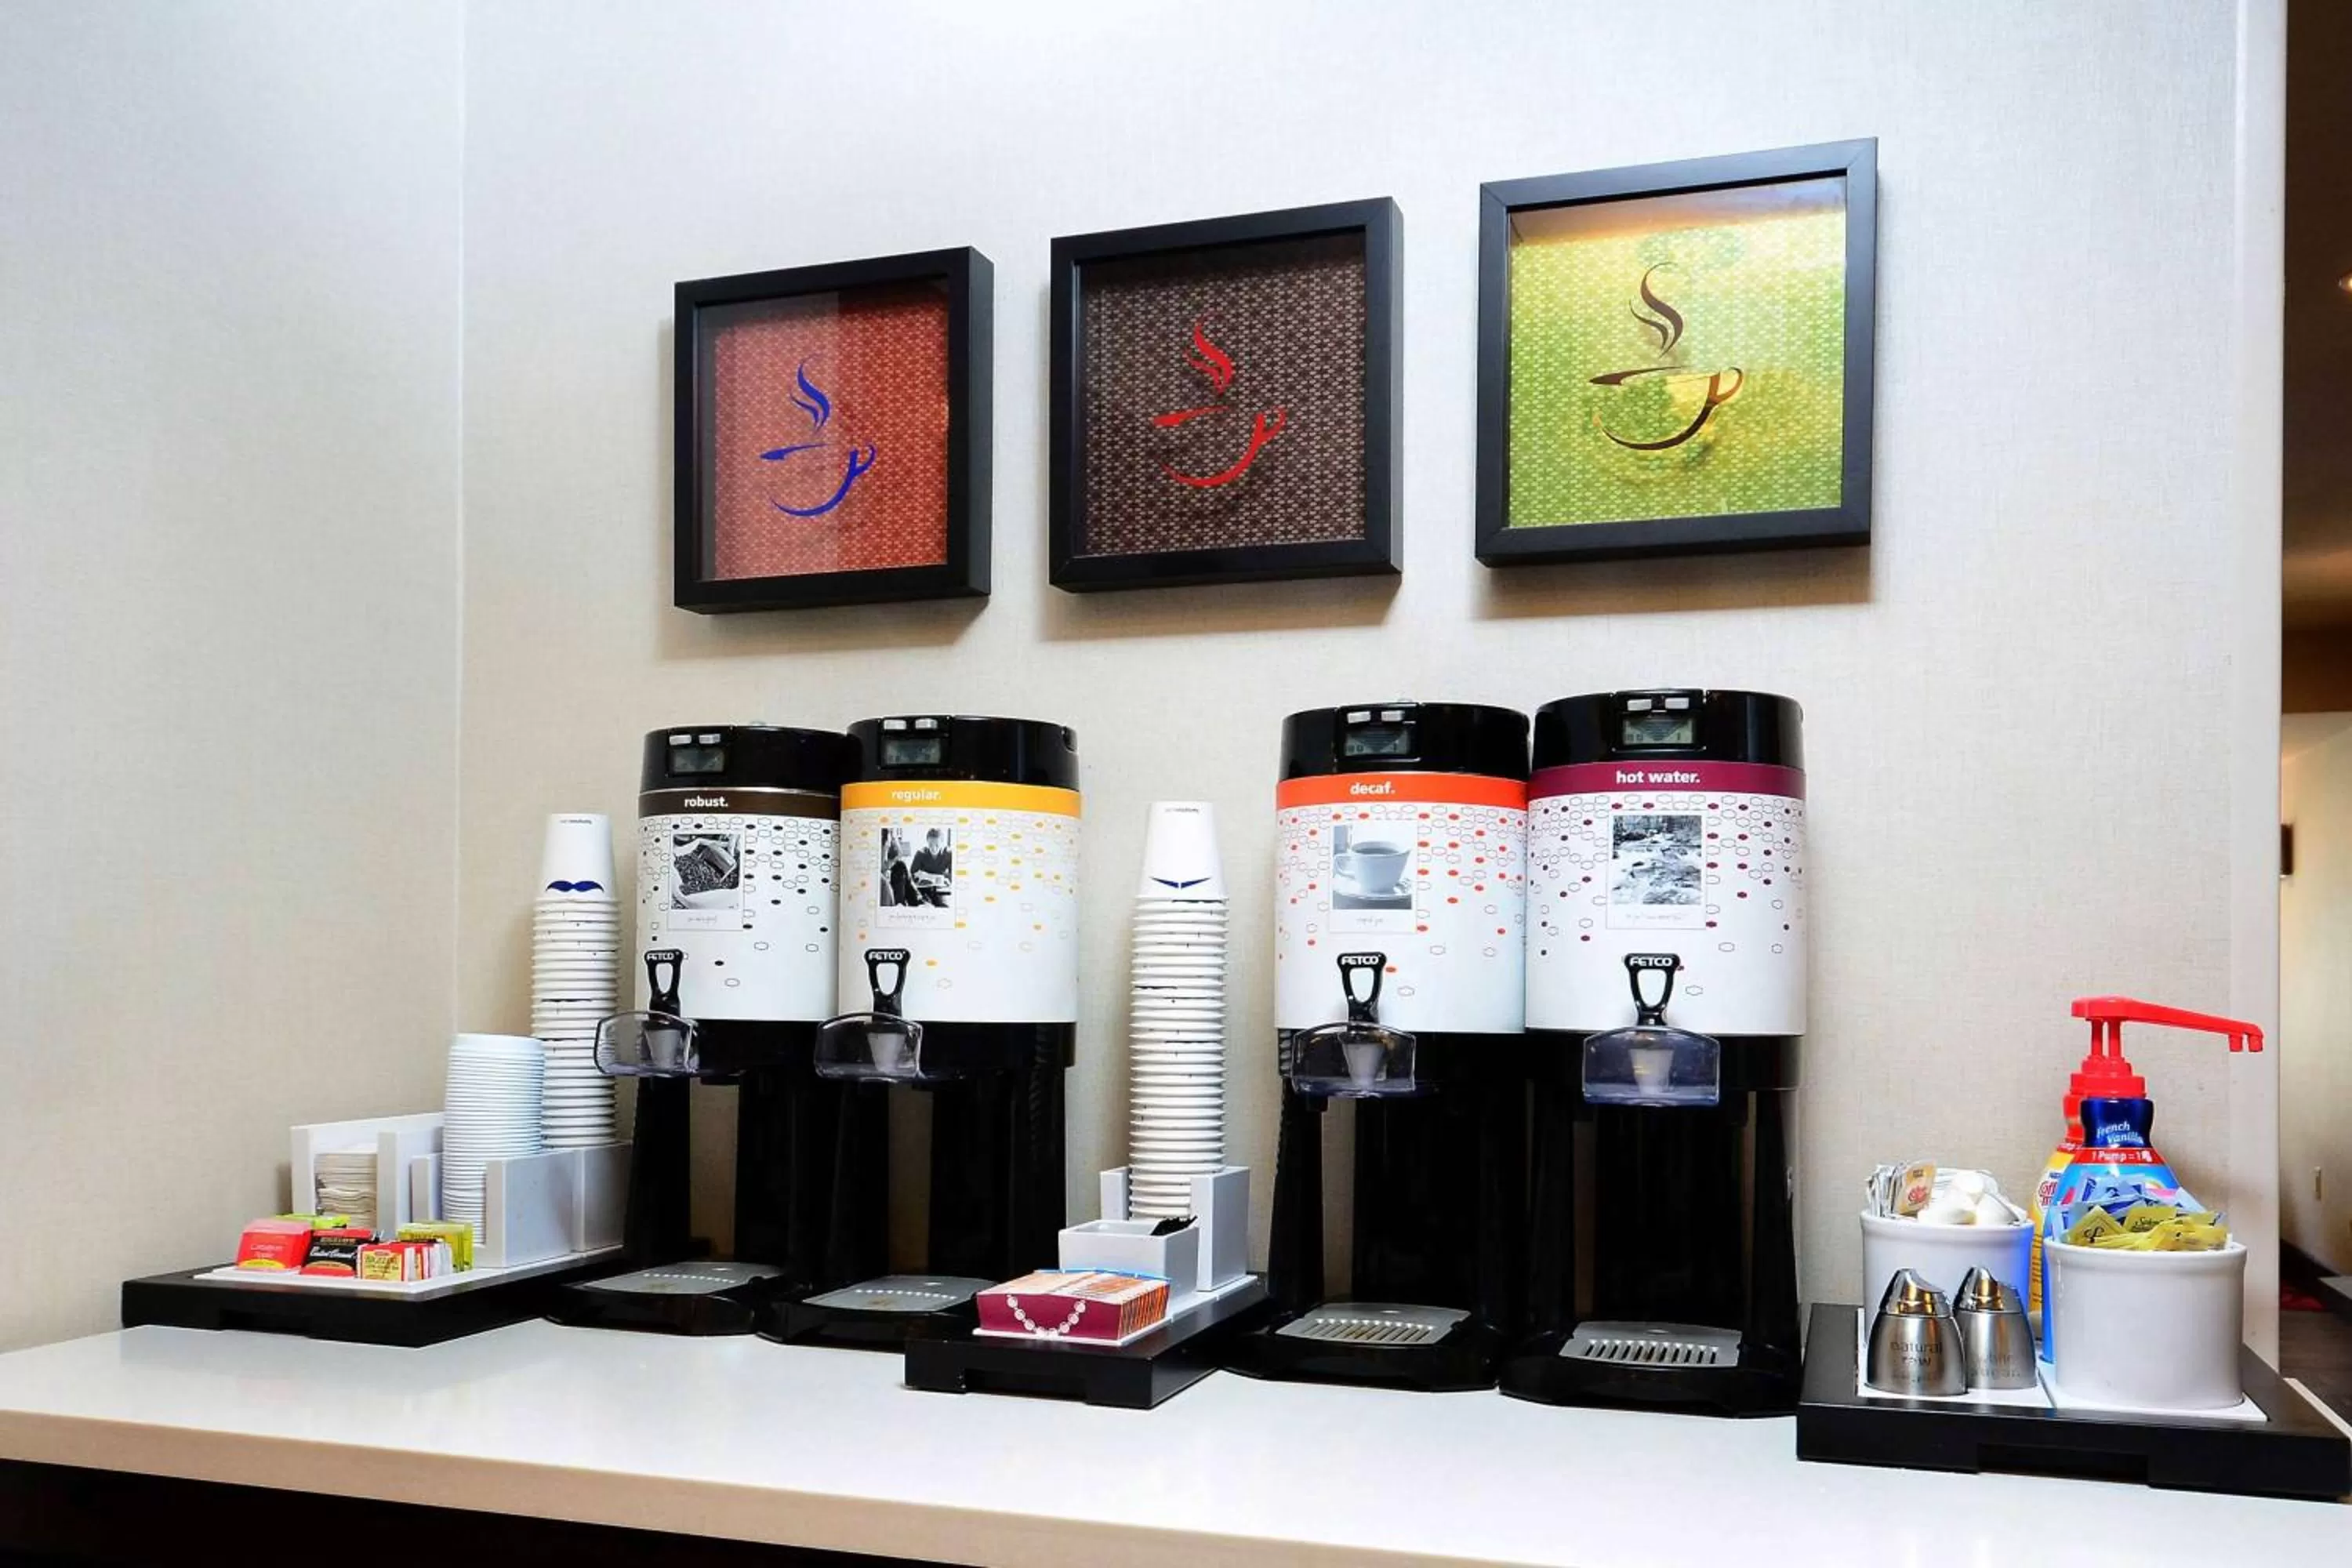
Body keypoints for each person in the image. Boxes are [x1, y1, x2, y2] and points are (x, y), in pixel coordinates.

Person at [909, 828, 953, 906]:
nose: (933, 848)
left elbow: (953, 876)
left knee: (944, 906)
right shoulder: (920, 853)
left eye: (937, 845)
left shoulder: (949, 854)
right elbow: (912, 874)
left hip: (941, 889)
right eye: (930, 845)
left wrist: (947, 879)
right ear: (927, 842)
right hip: (924, 890)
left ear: (942, 842)